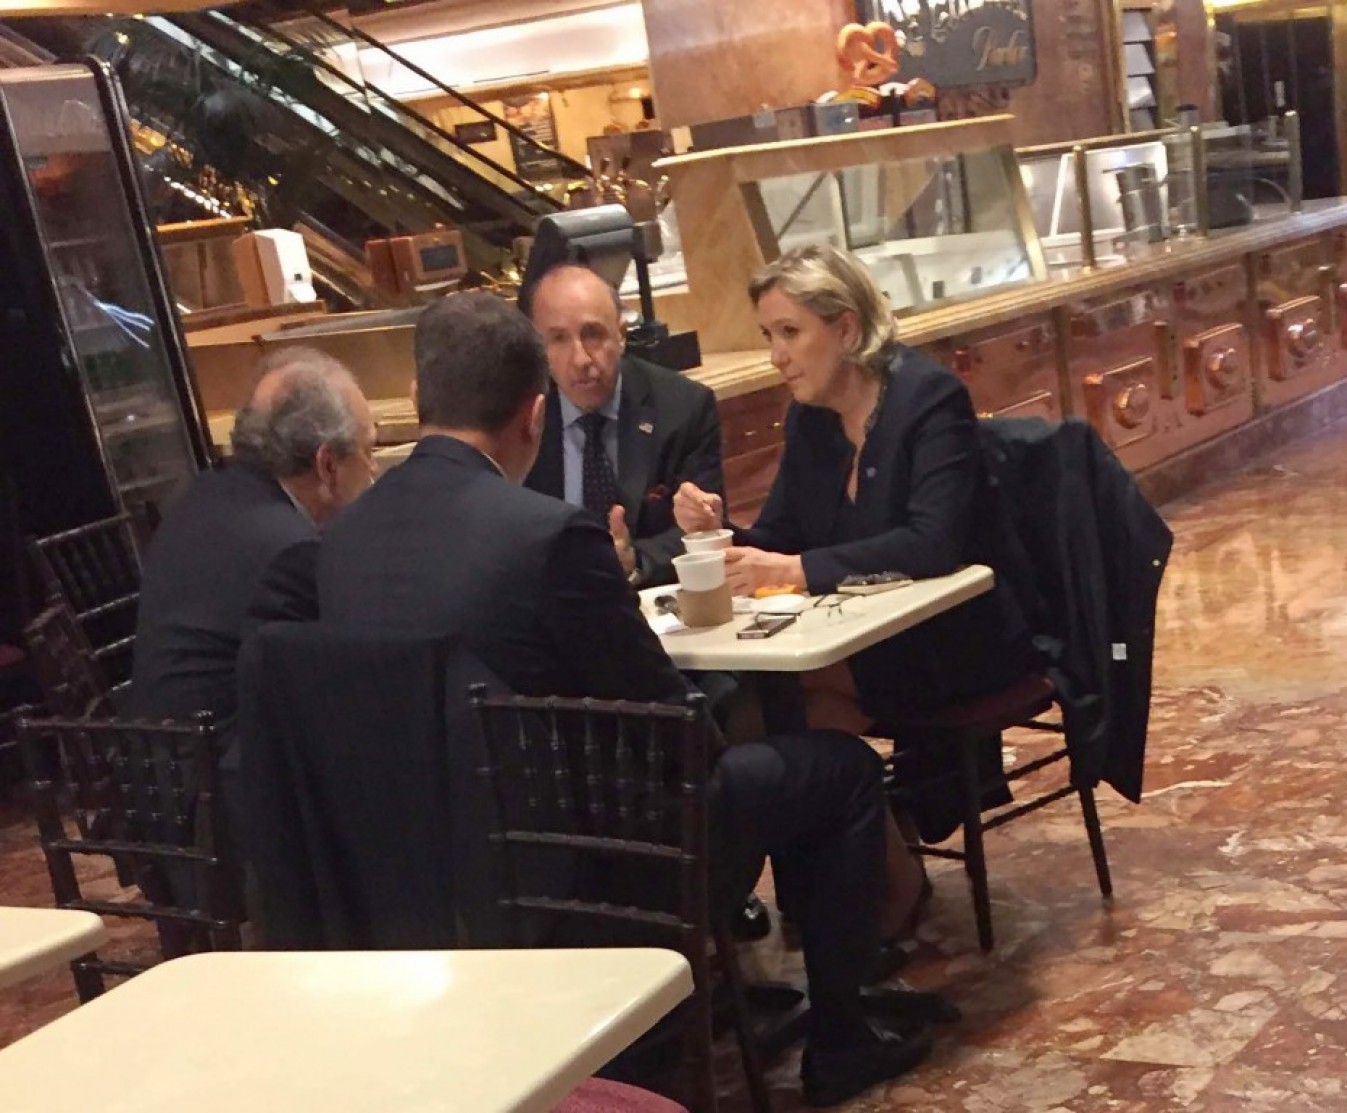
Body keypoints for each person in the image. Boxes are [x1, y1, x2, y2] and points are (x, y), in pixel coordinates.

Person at [315, 291, 933, 1106]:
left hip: (408, 869)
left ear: (417, 398)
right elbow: (667, 721)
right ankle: (842, 1041)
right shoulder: (545, 535)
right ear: (535, 414)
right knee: (838, 770)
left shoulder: (338, 540)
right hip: (591, 865)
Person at [673, 244, 1037, 926]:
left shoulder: (928, 398)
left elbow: (933, 542)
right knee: (760, 711)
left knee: (780, 711)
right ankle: (847, 884)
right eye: (768, 335)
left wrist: (795, 570)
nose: (776, 356)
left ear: (844, 328)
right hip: (869, 641)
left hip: (960, 636)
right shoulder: (810, 417)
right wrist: (723, 533)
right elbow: (781, 534)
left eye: (790, 332)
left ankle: (871, 887)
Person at [128, 346, 378, 731]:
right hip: (218, 756)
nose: (374, 468)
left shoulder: (203, 494)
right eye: (369, 449)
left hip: (153, 743)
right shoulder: (290, 552)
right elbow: (331, 682)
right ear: (327, 465)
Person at [524, 264, 724, 588]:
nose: (580, 359)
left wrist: (633, 561)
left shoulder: (683, 408)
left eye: (593, 334)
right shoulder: (517, 415)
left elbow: (702, 532)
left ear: (621, 335)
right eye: (558, 339)